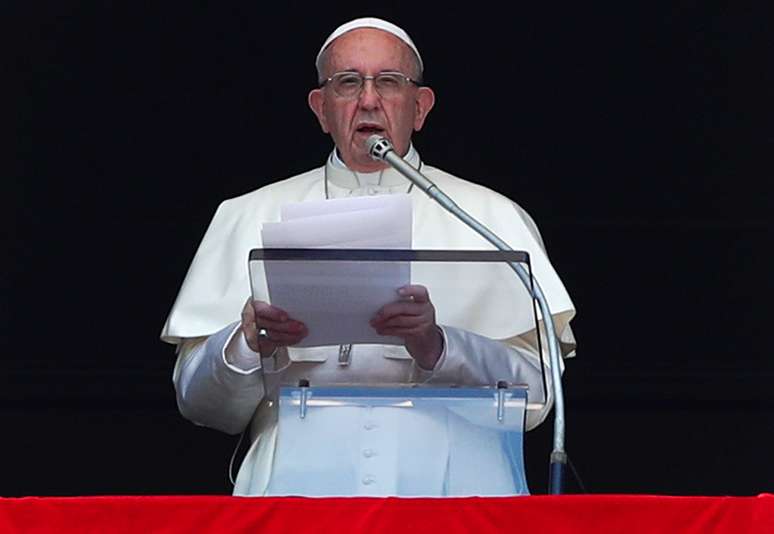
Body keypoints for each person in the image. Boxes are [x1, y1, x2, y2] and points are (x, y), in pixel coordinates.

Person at [162, 17, 576, 496]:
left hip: (457, 490)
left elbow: (538, 400)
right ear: (321, 109)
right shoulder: (247, 213)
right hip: (294, 492)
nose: (369, 99)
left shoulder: (490, 216)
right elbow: (200, 405)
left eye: (389, 82)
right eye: (348, 82)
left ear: (420, 107)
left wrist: (439, 347)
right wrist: (246, 344)